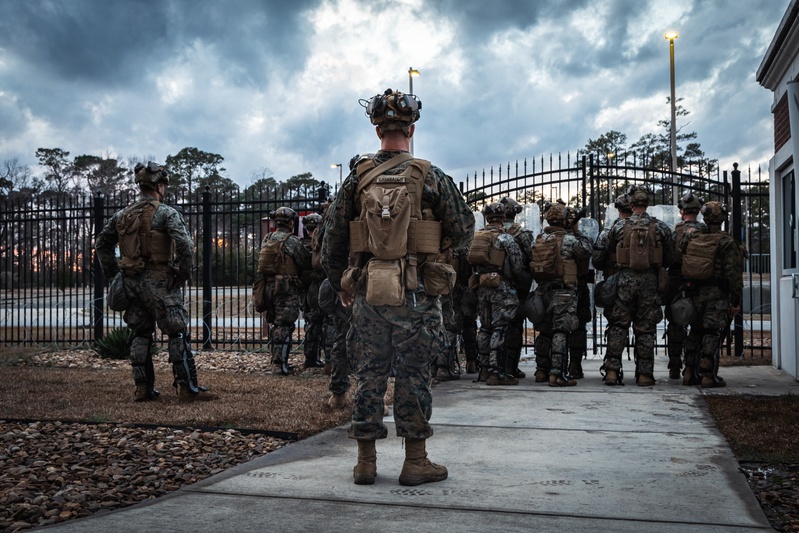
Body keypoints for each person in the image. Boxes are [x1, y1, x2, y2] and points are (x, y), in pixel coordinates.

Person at [321, 88, 474, 486]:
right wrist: (438, 264)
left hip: (370, 292)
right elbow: (464, 229)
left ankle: (365, 462)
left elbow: (331, 240)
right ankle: (415, 461)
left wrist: (344, 282)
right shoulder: (429, 175)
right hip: (417, 293)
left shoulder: (357, 179)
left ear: (376, 131)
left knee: (370, 372)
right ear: (411, 127)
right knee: (414, 374)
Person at [94, 161, 218, 402]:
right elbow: (184, 243)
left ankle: (143, 388)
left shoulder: (123, 215)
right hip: (159, 281)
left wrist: (114, 274)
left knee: (140, 333)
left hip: (130, 282)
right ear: (160, 186)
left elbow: (101, 244)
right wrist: (182, 272)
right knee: (176, 332)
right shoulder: (166, 212)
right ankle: (186, 387)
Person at [602, 185, 675, 386]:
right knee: (645, 328)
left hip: (624, 281)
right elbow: (670, 257)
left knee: (618, 326)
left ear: (631, 203)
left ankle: (612, 372)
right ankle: (644, 374)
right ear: (647, 203)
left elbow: (605, 253)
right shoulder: (660, 227)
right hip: (650, 283)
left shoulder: (618, 226)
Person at [679, 201, 743, 388]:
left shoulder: (693, 237)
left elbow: (681, 251)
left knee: (695, 331)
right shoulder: (726, 242)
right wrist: (736, 300)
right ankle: (707, 375)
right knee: (712, 333)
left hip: (695, 293)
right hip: (717, 294)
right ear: (723, 219)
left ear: (704, 217)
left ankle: (689, 372)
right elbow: (734, 275)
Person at [530, 201, 592, 386]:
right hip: (563, 292)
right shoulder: (570, 240)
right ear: (565, 221)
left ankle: (541, 370)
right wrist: (575, 229)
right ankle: (557, 374)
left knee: (544, 332)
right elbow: (587, 250)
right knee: (561, 331)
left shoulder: (540, 239)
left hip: (543, 292)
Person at [467, 202, 528, 386]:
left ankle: (484, 369)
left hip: (482, 288)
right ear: (503, 218)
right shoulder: (506, 239)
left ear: (487, 218)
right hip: (501, 287)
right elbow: (517, 265)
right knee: (500, 328)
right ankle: (497, 372)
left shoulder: (478, 238)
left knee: (484, 328)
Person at [256, 206, 311, 376]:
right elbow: (305, 262)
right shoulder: (292, 241)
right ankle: (279, 365)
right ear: (290, 222)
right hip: (286, 288)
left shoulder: (268, 238)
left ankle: (275, 361)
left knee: (276, 324)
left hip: (268, 287)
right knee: (285, 324)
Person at [666, 192, 707, 382]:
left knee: (675, 324)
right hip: (701, 284)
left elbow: (668, 258)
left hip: (677, 283)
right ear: (698, 211)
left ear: (682, 211)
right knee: (697, 327)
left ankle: (674, 365)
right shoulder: (706, 231)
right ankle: (691, 368)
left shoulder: (677, 232)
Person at [499, 196, 534, 378]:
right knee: (514, 327)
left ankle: (490, 369)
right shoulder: (521, 235)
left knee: (492, 328)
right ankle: (510, 368)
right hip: (515, 288)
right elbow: (532, 257)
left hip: (490, 287)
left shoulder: (488, 232)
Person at [565, 204, 592, 379]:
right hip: (576, 288)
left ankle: (547, 367)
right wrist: (576, 231)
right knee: (578, 327)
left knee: (553, 328)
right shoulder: (578, 240)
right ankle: (575, 364)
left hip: (556, 289)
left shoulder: (549, 238)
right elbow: (588, 251)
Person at [300, 212, 326, 370]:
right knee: (328, 322)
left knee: (311, 322)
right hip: (320, 285)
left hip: (308, 288)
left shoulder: (300, 244)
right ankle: (328, 357)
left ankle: (310, 357)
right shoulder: (322, 243)